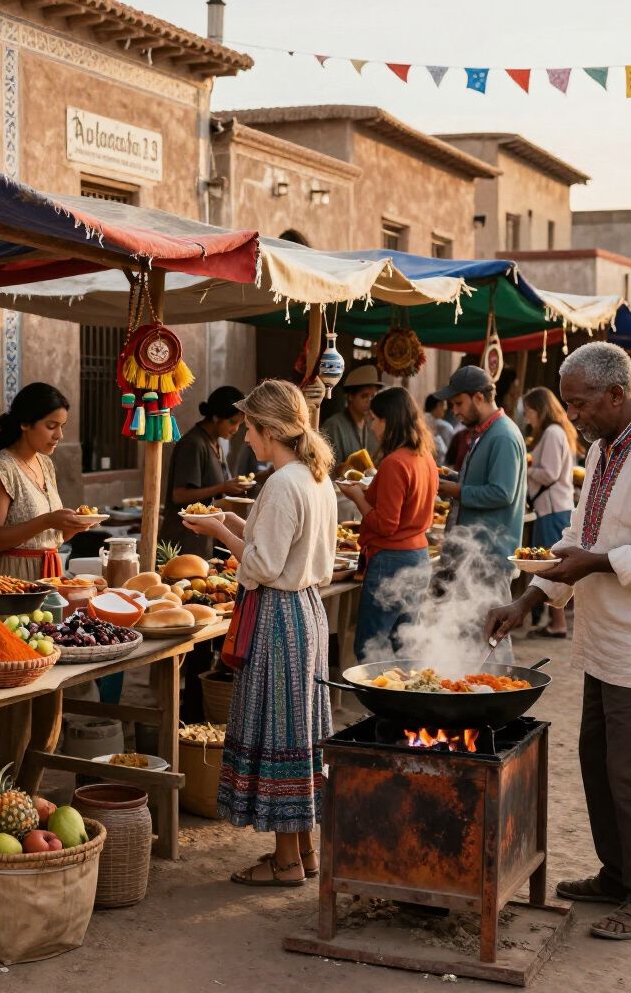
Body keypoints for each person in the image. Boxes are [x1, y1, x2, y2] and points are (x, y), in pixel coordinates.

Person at [485, 342, 631, 942]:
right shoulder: (606, 446)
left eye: (581, 403)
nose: (573, 414)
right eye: (568, 403)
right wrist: (526, 600)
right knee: (600, 763)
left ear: (617, 394)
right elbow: (576, 538)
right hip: (608, 640)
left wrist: (594, 563)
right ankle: (618, 874)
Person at [183, 379, 336, 887]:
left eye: (250, 428)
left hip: (278, 616)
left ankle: (286, 862)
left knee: (280, 732)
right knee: (301, 732)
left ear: (271, 431)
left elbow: (265, 566)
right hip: (308, 612)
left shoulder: (281, 482)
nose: (246, 437)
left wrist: (220, 533)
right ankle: (306, 852)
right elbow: (288, 546)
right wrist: (234, 517)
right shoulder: (315, 478)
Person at [337, 388, 437, 662]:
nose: (371, 425)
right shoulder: (425, 457)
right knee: (404, 646)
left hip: (391, 560)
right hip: (418, 557)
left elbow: (386, 525)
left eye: (374, 419)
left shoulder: (395, 462)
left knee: (372, 648)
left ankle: (379, 705)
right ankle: (406, 703)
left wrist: (357, 496)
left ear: (388, 421)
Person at [434, 366, 527, 633]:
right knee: (471, 634)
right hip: (472, 554)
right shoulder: (487, 432)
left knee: (491, 634)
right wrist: (451, 476)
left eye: (458, 403)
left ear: (478, 398)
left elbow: (501, 492)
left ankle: (503, 677)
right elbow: (481, 481)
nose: (455, 410)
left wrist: (453, 490)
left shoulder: (503, 435)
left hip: (488, 557)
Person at [0, 382, 99, 580]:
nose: (59, 435)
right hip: (10, 579)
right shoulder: (2, 468)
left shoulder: (45, 463)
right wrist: (48, 520)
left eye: (61, 426)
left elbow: (48, 539)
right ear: (25, 423)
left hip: (48, 575)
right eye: (51, 426)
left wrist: (73, 526)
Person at [159, 386, 248, 559]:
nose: (236, 429)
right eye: (232, 422)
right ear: (216, 417)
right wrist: (222, 487)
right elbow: (179, 495)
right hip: (182, 541)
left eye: (240, 424)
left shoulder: (216, 444)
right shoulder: (193, 444)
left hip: (202, 539)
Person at [522, 386, 578, 639]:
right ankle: (555, 622)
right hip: (553, 506)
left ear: (539, 410)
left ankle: (557, 624)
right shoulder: (553, 433)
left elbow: (550, 473)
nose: (527, 417)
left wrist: (525, 466)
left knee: (550, 566)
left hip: (554, 508)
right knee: (548, 565)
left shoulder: (553, 433)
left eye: (529, 411)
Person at [321, 364, 383, 469]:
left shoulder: (374, 424)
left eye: (373, 396)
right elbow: (326, 466)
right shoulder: (333, 425)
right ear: (350, 397)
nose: (370, 401)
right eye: (364, 396)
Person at [423, 394, 455, 463]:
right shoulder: (444, 426)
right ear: (439, 405)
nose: (445, 408)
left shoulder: (420, 420)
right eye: (444, 405)